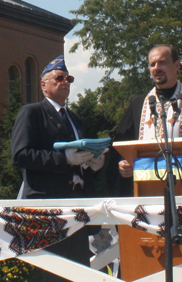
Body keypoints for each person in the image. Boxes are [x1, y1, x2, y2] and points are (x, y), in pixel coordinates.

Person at [11, 55, 107, 281]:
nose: (65, 82)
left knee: (78, 272)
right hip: (49, 206)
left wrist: (93, 165)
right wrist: (63, 160)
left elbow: (78, 163)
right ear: (43, 85)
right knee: (51, 274)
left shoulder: (74, 119)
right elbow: (20, 155)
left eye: (69, 78)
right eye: (59, 78)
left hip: (76, 206)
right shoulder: (32, 113)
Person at [108, 44, 182, 196]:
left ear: (176, 66)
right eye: (152, 64)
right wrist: (122, 162)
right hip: (145, 188)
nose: (157, 68)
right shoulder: (138, 104)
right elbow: (121, 142)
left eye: (162, 62)